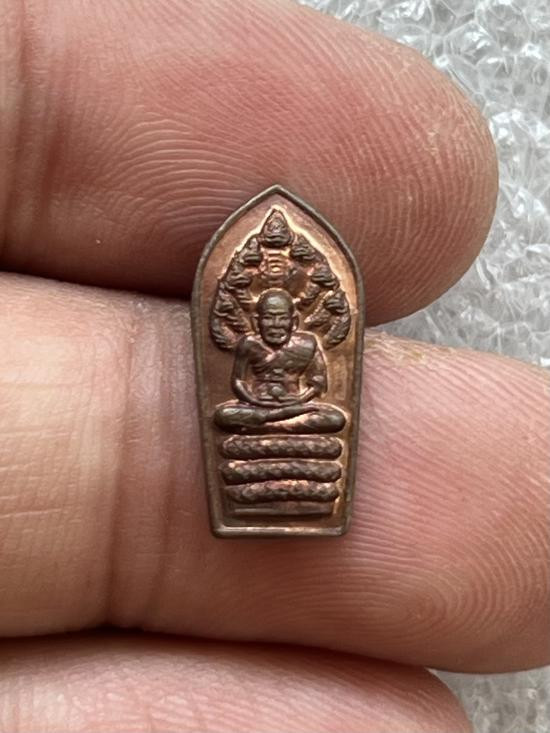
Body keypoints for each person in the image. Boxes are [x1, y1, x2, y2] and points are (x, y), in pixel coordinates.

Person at [0, 1, 547, 732]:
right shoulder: (254, 348)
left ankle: (298, 492)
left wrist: (291, 401)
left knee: (324, 418)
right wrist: (262, 399)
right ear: (258, 318)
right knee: (230, 415)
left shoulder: (306, 347)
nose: (279, 327)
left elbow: (320, 389)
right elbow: (241, 389)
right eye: (271, 319)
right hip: (257, 417)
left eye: (287, 319)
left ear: (296, 319)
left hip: (299, 419)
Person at [214, 288, 345, 432]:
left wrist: (300, 399)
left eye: (283, 318)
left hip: (296, 405)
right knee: (223, 415)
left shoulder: (307, 344)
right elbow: (238, 381)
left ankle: (265, 424)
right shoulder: (249, 343)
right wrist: (254, 400)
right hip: (258, 405)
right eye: (268, 318)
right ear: (256, 322)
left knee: (336, 419)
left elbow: (318, 382)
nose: (276, 324)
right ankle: (278, 419)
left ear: (294, 321)